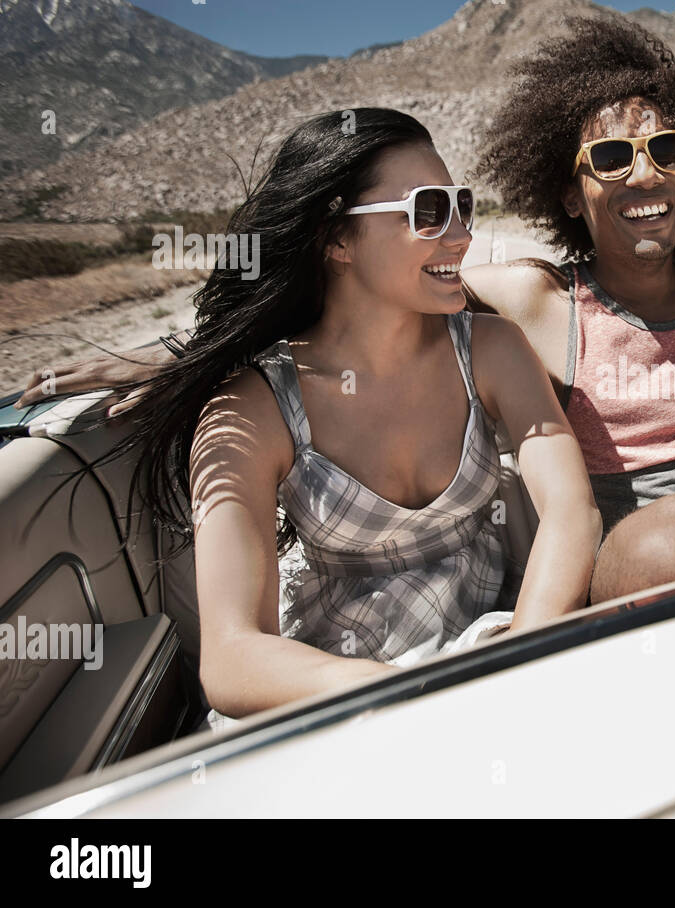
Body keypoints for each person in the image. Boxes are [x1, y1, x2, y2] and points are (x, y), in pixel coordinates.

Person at [23, 18, 675, 603]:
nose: (644, 173)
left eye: (667, 150)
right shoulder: (532, 298)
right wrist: (170, 359)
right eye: (609, 159)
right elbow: (343, 292)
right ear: (567, 182)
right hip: (646, 560)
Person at [82, 109, 601, 719]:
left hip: (495, 641)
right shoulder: (253, 409)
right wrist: (408, 698)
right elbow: (231, 656)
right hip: (335, 685)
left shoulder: (490, 349)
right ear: (336, 239)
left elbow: (572, 510)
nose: (458, 234)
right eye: (428, 211)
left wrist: (517, 664)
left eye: (461, 206)